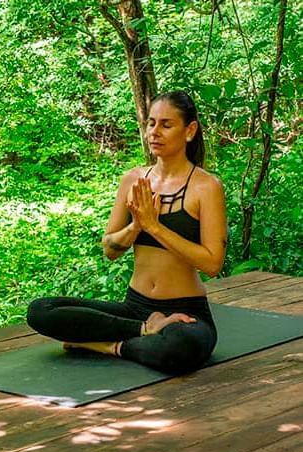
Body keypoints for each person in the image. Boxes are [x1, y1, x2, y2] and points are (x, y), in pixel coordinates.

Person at [26, 91, 227, 375]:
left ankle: (105, 346)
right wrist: (136, 227)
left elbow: (212, 263)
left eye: (166, 125)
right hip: (135, 309)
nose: (155, 132)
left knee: (178, 349)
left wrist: (154, 226)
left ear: (190, 130)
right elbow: (109, 249)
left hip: (186, 312)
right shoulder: (134, 180)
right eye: (151, 123)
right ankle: (143, 331)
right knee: (41, 310)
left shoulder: (206, 187)